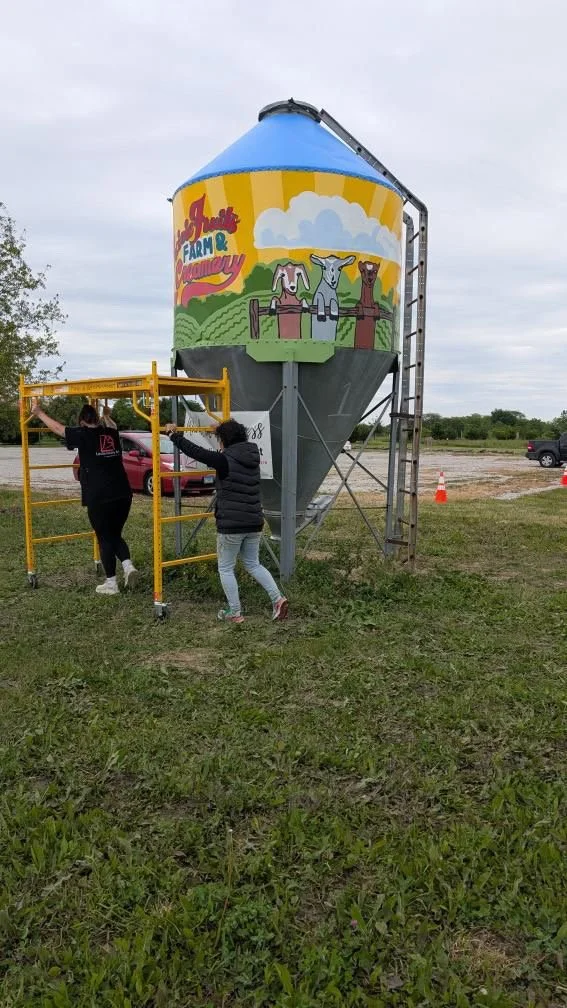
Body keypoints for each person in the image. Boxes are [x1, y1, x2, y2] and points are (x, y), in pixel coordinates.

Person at [165, 418, 288, 624]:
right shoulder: (251, 456)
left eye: (220, 439)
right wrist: (220, 432)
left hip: (231, 524)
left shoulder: (224, 460)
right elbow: (225, 451)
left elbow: (196, 452)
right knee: (253, 563)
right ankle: (278, 599)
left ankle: (235, 612)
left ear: (225, 441)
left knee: (225, 568)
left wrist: (173, 435)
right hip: (254, 521)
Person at [31, 401, 139, 595]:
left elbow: (58, 428)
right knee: (114, 534)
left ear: (81, 422)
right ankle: (128, 565)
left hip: (99, 496)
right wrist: (107, 415)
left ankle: (111, 583)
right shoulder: (111, 434)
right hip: (123, 494)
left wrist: (39, 413)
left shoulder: (83, 435)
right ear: (97, 420)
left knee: (104, 537)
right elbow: (113, 426)